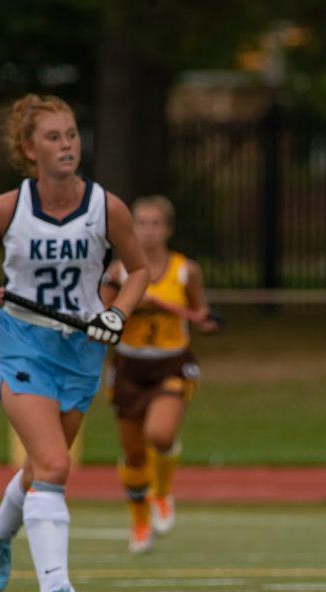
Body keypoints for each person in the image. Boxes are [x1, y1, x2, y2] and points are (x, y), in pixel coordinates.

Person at [0, 94, 150, 592]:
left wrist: (117, 313)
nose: (67, 145)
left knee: (44, 466)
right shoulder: (4, 208)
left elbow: (138, 271)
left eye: (72, 135)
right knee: (57, 467)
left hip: (81, 351)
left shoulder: (107, 207)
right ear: (27, 148)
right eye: (54, 137)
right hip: (22, 344)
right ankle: (55, 590)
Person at [100, 195, 219, 553]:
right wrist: (129, 303)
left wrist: (204, 320)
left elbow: (200, 312)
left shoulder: (186, 270)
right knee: (134, 455)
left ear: (167, 228)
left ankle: (163, 493)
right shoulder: (119, 272)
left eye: (155, 223)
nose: (148, 230)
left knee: (160, 434)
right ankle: (139, 524)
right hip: (128, 366)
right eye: (141, 223)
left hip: (171, 363)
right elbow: (103, 315)